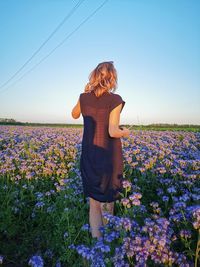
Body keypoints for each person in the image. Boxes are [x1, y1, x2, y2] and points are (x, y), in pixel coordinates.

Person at [71, 61, 130, 238]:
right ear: (112, 78)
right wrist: (126, 132)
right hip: (107, 157)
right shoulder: (115, 99)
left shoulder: (83, 97)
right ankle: (108, 245)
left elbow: (74, 114)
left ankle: (97, 245)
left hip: (89, 156)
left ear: (95, 76)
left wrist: (84, 94)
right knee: (108, 204)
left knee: (94, 203)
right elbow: (113, 130)